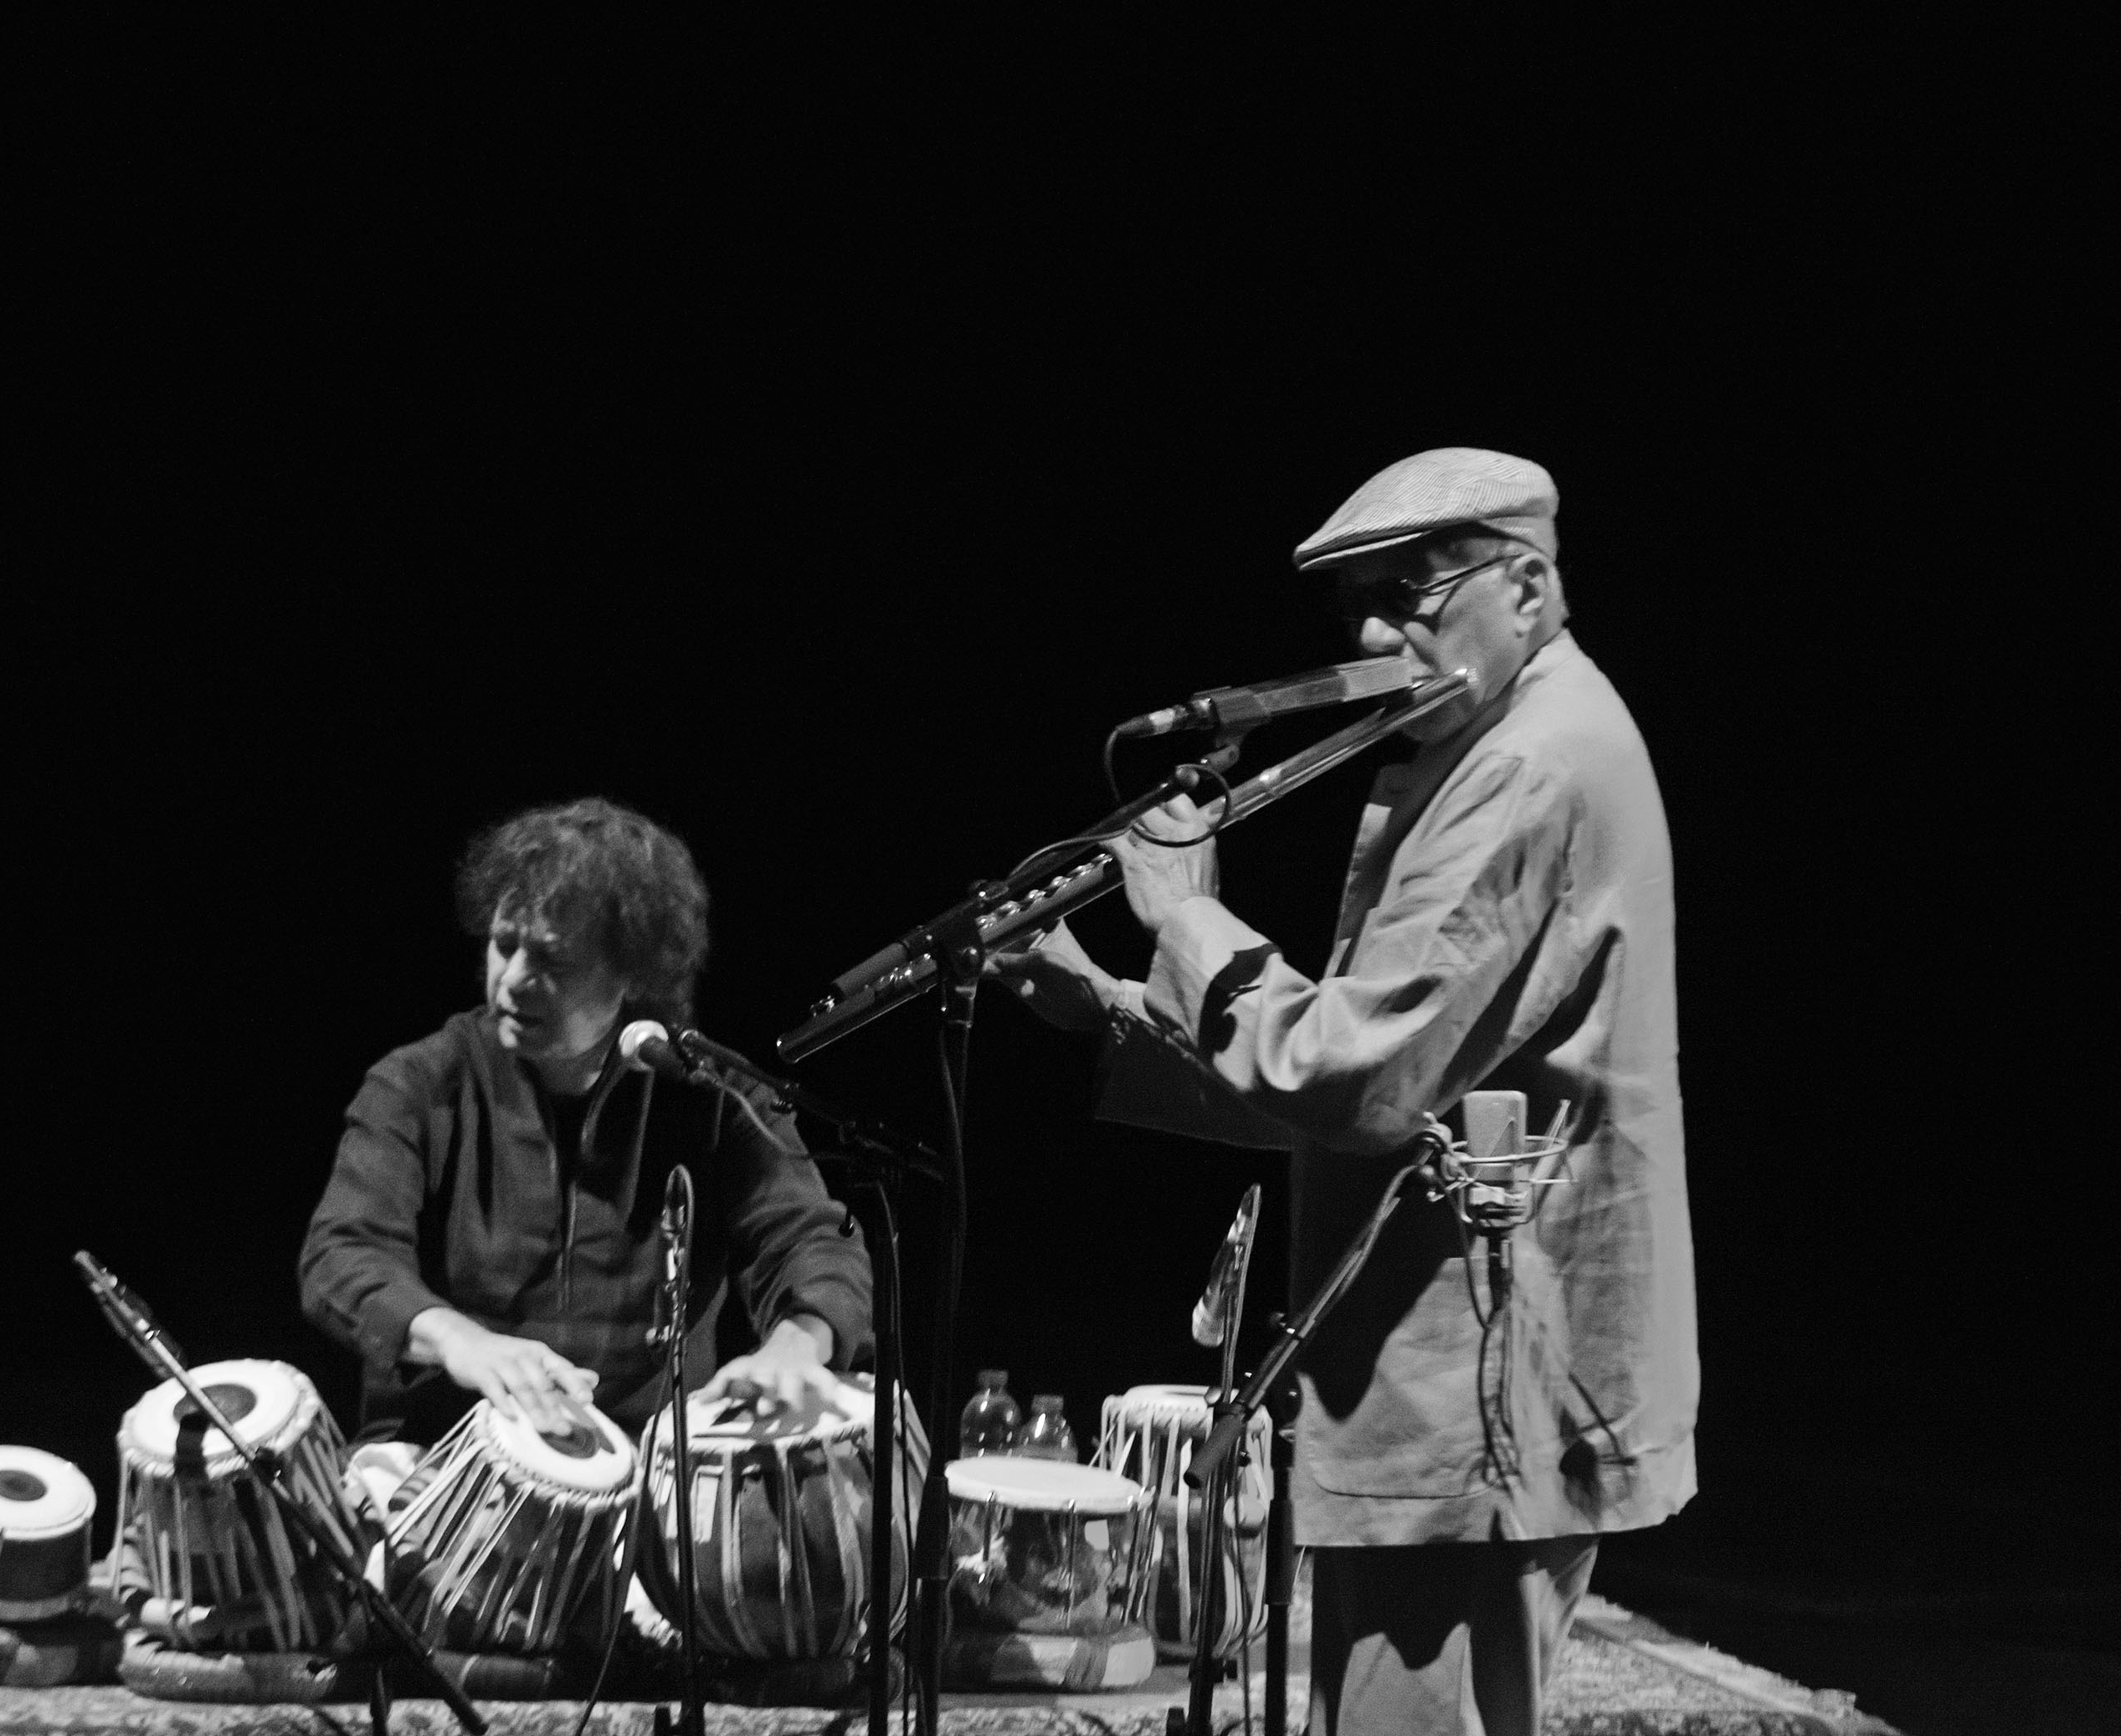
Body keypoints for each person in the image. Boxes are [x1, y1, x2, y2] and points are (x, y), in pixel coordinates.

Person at [994, 449, 1697, 1734]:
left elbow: (1356, 1080)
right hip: (1451, 1371)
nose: (1376, 636)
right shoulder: (1491, 743)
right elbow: (1375, 1080)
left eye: (1413, 596)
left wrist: (1191, 921)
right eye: (1358, 604)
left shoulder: (1531, 763)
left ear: (1527, 586)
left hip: (1482, 1373)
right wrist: (1100, 998)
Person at [299, 797, 872, 1450]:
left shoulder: (709, 1091)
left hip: (652, 1463)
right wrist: (463, 1342)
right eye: (503, 945)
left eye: (552, 962)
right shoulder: (422, 1082)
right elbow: (340, 1255)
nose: (513, 980)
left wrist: (797, 1346)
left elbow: (813, 1241)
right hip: (441, 1453)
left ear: (631, 972)